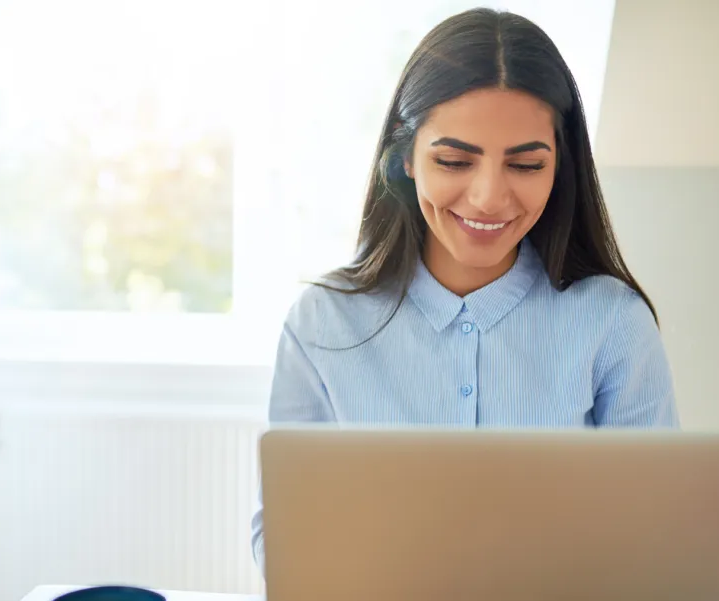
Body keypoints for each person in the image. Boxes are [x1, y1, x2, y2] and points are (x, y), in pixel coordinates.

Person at [251, 7, 679, 571]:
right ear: (405, 158)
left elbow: (659, 534)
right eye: (454, 160)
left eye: (526, 165)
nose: (488, 198)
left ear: (560, 167)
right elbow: (284, 541)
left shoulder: (613, 323)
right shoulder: (321, 324)